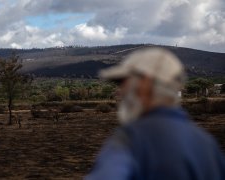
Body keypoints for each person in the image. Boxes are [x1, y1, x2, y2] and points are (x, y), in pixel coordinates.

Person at [85, 48, 225, 180]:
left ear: (145, 84)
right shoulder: (208, 145)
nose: (119, 92)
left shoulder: (131, 140)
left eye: (122, 82)